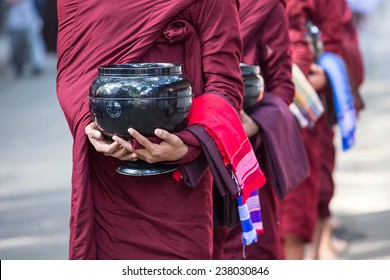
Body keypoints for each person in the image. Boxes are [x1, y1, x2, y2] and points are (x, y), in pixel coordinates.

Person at [56, 0, 267, 260]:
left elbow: (224, 85)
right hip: (107, 180)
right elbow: (70, 73)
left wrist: (189, 144)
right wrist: (89, 123)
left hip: (176, 185)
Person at [213, 0, 310, 260]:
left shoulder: (265, 6)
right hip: (189, 152)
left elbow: (282, 85)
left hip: (246, 151)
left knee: (251, 253)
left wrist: (253, 124)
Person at [4, 0, 46, 77]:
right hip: (14, 21)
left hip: (30, 18)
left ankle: (36, 65)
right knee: (17, 46)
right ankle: (18, 67)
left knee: (33, 44)